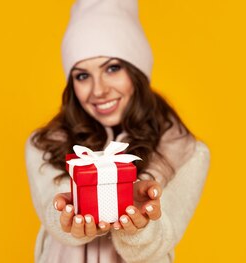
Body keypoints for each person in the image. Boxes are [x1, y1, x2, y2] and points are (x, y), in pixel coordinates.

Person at [24, 0, 210, 262]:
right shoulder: (44, 144)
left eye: (112, 68)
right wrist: (68, 216)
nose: (98, 90)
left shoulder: (186, 152)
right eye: (82, 76)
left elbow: (161, 241)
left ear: (137, 71)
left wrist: (138, 223)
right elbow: (52, 214)